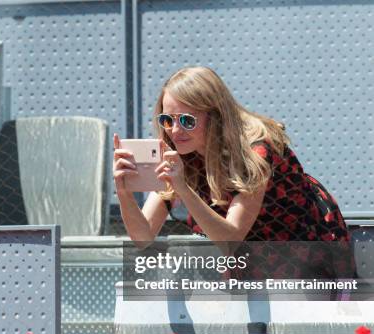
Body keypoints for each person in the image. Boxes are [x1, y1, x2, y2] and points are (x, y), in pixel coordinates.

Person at [114, 66, 353, 280]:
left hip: (302, 254)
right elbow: (143, 237)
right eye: (167, 120)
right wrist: (124, 192)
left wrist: (183, 190)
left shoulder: (257, 150)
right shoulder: (179, 153)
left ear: (215, 116)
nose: (175, 130)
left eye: (187, 120)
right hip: (250, 262)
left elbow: (230, 241)